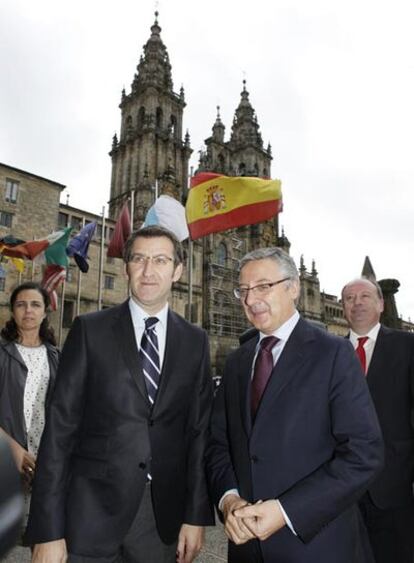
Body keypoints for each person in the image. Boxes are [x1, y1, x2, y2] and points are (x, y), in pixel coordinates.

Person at [26, 225, 214, 563]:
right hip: (88, 514)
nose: (148, 270)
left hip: (160, 521)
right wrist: (48, 529)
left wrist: (196, 515)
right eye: (139, 259)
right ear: (126, 266)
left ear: (178, 270)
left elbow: (198, 433)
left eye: (160, 260)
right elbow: (59, 432)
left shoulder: (195, 342)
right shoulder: (89, 330)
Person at [206, 247, 383, 563]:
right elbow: (219, 444)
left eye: (263, 286)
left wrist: (286, 511)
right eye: (243, 290)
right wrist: (229, 500)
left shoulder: (334, 354)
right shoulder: (237, 362)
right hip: (247, 549)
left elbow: (363, 453)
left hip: (319, 546)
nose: (250, 299)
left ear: (294, 287)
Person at [341, 277, 414, 563]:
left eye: (365, 296)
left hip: (395, 490)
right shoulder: (325, 353)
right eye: (349, 298)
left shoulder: (408, 346)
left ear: (381, 304)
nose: (357, 303)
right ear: (342, 306)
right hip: (340, 494)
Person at [0, 282, 59, 530]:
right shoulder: (2, 353)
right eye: (21, 305)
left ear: (45, 311)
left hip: (44, 462)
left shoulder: (57, 356)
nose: (28, 311)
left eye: (35, 304)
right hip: (6, 456)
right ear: (13, 311)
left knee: (41, 538)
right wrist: (12, 449)